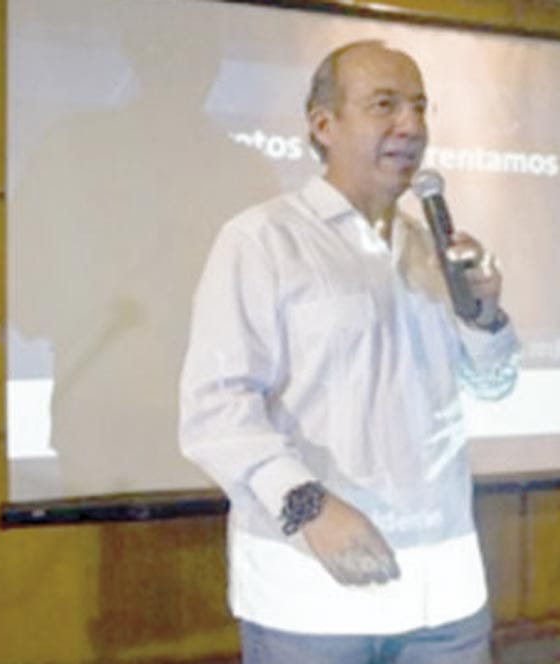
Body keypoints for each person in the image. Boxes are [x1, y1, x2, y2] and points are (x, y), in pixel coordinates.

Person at [179, 40, 521, 664]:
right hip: (312, 595)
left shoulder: (434, 250)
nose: (411, 126)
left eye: (419, 107)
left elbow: (494, 389)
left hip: (443, 593)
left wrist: (486, 316)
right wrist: (307, 505)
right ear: (323, 125)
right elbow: (215, 409)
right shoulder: (262, 240)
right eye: (384, 105)